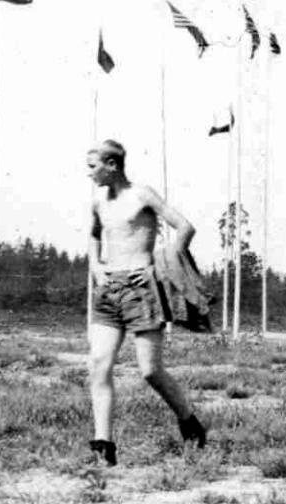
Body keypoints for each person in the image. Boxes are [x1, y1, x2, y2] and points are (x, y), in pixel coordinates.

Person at [86, 139, 206, 467]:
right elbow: (94, 236)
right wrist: (96, 266)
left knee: (150, 371)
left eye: (93, 166)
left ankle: (190, 422)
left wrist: (160, 266)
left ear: (112, 165)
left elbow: (185, 227)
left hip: (142, 290)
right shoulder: (98, 202)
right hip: (109, 290)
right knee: (99, 364)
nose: (89, 173)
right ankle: (103, 446)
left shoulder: (142, 195)